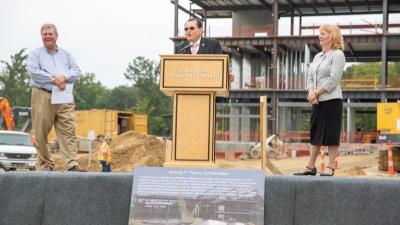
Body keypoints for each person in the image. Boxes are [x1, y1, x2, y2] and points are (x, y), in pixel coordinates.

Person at [27, 23, 86, 172]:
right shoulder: (35, 54)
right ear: (41, 37)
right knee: (40, 131)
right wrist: (54, 79)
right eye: (44, 34)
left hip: (63, 94)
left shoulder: (66, 54)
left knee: (68, 128)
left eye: (50, 34)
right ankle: (46, 163)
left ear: (56, 36)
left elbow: (76, 71)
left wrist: (64, 77)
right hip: (43, 93)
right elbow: (33, 72)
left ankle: (71, 164)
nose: (47, 36)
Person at [294, 24, 345, 176]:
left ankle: (330, 167)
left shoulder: (338, 55)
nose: (320, 36)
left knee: (331, 133)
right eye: (320, 33)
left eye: (324, 33)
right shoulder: (317, 56)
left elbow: (333, 79)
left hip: (332, 100)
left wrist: (315, 93)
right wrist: (311, 92)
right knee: (315, 132)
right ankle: (310, 167)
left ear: (332, 36)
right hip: (317, 101)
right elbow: (310, 77)